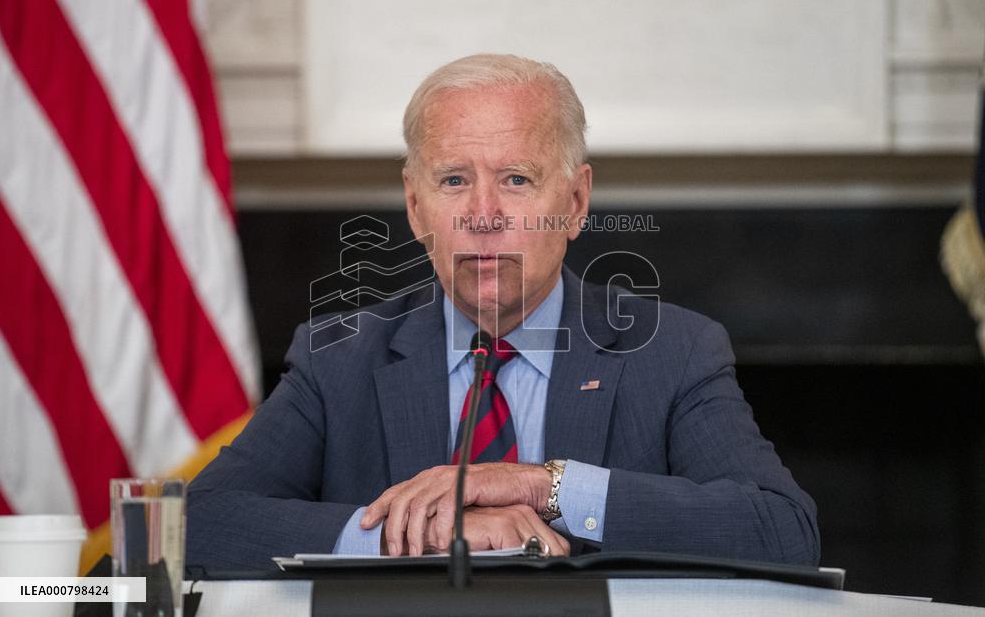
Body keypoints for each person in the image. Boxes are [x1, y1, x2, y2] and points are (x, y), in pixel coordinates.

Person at [187, 53, 819, 570]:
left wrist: (543, 486)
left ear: (575, 201)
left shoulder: (671, 351)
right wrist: (420, 535)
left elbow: (782, 532)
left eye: (516, 179)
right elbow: (195, 525)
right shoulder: (340, 356)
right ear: (415, 208)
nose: (483, 214)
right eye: (454, 181)